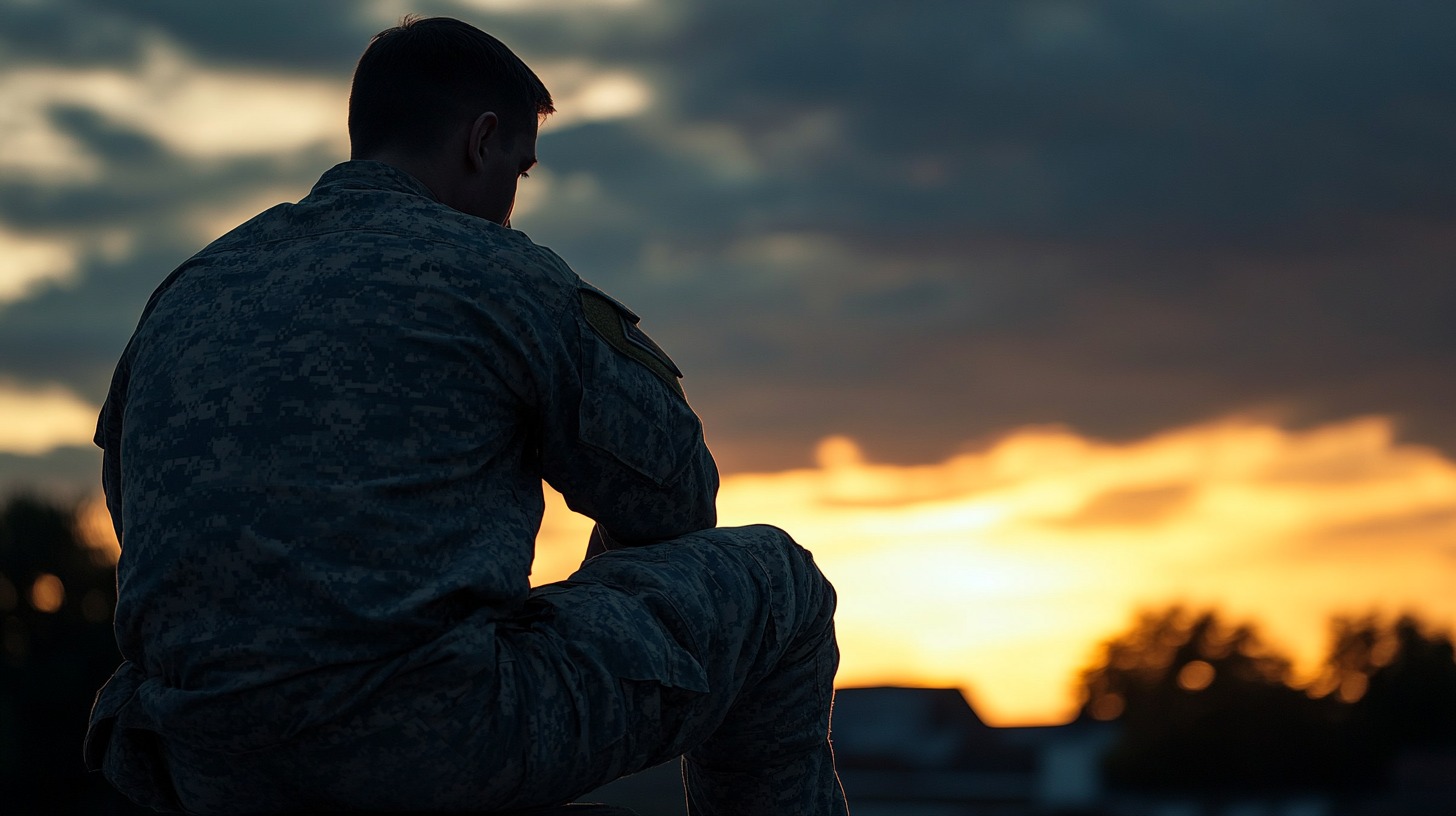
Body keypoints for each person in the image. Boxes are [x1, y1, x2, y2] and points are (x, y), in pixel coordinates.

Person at [83, 15, 847, 816]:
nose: (511, 207)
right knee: (779, 581)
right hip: (427, 742)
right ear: (481, 142)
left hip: (199, 762)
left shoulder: (189, 291)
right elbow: (677, 498)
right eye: (518, 172)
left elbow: (139, 525)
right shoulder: (499, 274)